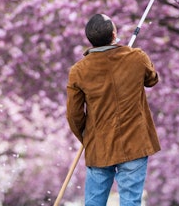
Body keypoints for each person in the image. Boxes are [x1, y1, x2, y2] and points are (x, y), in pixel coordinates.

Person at [66, 13, 160, 206]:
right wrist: (132, 57)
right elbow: (152, 79)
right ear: (114, 33)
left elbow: (74, 115)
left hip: (99, 146)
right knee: (130, 202)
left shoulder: (78, 71)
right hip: (134, 142)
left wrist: (87, 136)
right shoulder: (136, 57)